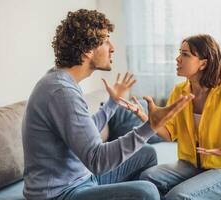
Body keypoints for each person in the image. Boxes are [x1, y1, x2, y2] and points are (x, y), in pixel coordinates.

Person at [22, 9, 193, 200]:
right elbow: (98, 160)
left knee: (147, 153)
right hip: (60, 194)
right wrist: (150, 127)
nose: (112, 47)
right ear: (87, 50)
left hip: (83, 179)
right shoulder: (61, 92)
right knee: (147, 192)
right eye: (105, 41)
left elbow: (85, 133)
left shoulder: (61, 81)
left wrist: (112, 103)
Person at [123, 34, 221, 200]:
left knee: (178, 196)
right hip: (192, 165)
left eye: (185, 55)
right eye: (180, 53)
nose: (178, 59)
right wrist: (144, 116)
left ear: (203, 63)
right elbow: (169, 134)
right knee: (147, 178)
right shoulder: (179, 91)